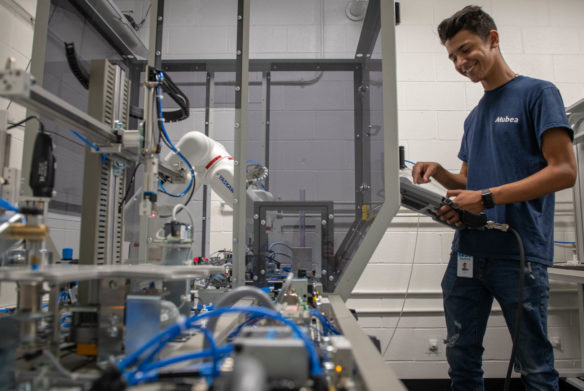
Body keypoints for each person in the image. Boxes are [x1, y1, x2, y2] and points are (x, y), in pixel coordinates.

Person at [411, 6, 577, 391]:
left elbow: (564, 171)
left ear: (494, 39)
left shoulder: (538, 93)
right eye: (453, 56)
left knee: (535, 366)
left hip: (518, 255)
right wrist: (439, 173)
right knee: (462, 359)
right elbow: (469, 180)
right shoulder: (474, 115)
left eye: (467, 50)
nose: (461, 62)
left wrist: (485, 198)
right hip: (468, 253)